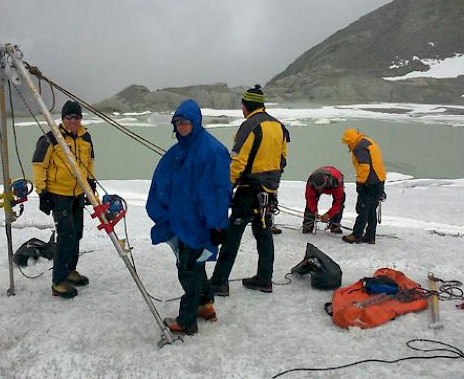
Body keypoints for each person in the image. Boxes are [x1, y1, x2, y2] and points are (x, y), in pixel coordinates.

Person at [146, 99, 231, 336]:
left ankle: (187, 321)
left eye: (185, 122)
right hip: (182, 219)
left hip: (200, 223)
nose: (182, 127)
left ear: (196, 122)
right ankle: (204, 305)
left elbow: (218, 190)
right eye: (178, 123)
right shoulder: (179, 151)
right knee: (195, 265)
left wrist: (216, 224)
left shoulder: (211, 151)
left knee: (188, 269)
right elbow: (165, 181)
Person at [210, 84, 290, 295]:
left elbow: (237, 161)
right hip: (269, 192)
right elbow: (282, 160)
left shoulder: (250, 126)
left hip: (248, 191)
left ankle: (219, 282)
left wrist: (227, 186)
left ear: (246, 106)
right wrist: (272, 183)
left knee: (233, 235)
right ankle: (265, 279)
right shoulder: (279, 126)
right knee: (264, 234)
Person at [32, 100, 94, 298]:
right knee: (66, 235)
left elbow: (89, 162)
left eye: (76, 117)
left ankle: (70, 271)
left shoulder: (86, 137)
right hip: (59, 195)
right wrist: (42, 192)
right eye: (69, 117)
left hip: (78, 193)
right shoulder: (51, 138)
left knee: (76, 234)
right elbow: (38, 165)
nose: (73, 121)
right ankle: (58, 282)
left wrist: (90, 184)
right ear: (63, 118)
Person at [340, 128, 386, 244]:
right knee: (371, 210)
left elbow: (364, 167)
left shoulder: (359, 147)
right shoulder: (367, 141)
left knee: (363, 209)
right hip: (379, 180)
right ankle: (370, 236)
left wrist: (360, 183)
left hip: (369, 182)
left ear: (351, 140)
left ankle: (357, 235)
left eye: (347, 143)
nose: (348, 146)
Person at [302, 166, 345, 234]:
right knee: (309, 205)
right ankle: (308, 225)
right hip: (318, 182)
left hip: (333, 181)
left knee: (340, 204)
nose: (319, 190)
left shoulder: (336, 181)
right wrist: (314, 211)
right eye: (318, 189)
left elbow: (338, 202)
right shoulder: (311, 182)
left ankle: (334, 225)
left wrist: (328, 215)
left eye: (321, 188)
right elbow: (310, 198)